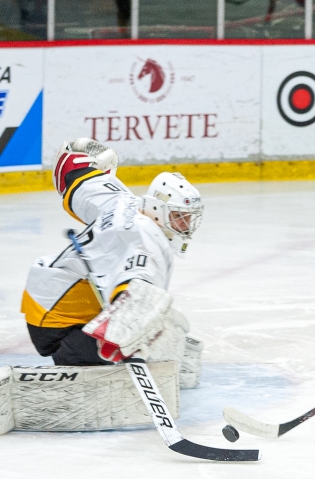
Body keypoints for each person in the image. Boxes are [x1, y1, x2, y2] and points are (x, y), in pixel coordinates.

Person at [20, 139, 204, 386]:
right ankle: (83, 360)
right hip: (58, 324)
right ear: (159, 208)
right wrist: (124, 339)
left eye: (188, 219)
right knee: (162, 332)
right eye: (179, 217)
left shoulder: (124, 202)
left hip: (45, 297)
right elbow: (134, 293)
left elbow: (74, 176)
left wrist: (82, 151)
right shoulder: (147, 239)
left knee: (167, 324)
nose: (185, 226)